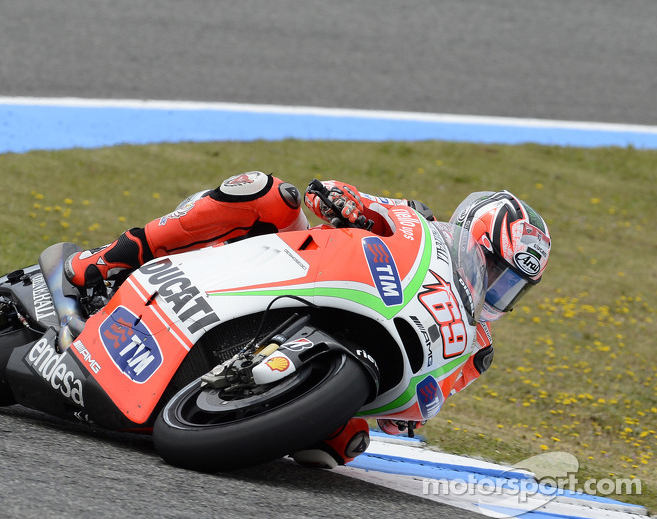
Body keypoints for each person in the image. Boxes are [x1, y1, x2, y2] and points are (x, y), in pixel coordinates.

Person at [65, 170, 552, 468]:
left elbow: (427, 399)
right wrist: (342, 201)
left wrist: (405, 419)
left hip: (359, 353)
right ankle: (108, 261)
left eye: (510, 285)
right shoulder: (418, 224)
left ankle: (228, 400)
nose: (494, 287)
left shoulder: (476, 346)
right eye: (493, 268)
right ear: (471, 237)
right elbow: (352, 201)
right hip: (308, 272)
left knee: (340, 446)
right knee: (267, 193)